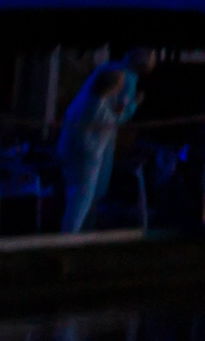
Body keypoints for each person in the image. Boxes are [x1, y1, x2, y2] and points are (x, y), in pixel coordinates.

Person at [50, 55, 141, 236]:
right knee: (80, 201)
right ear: (113, 87)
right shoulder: (98, 108)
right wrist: (133, 105)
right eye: (120, 83)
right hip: (86, 159)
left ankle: (70, 236)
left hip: (72, 154)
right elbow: (115, 121)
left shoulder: (87, 101)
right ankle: (68, 239)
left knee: (74, 198)